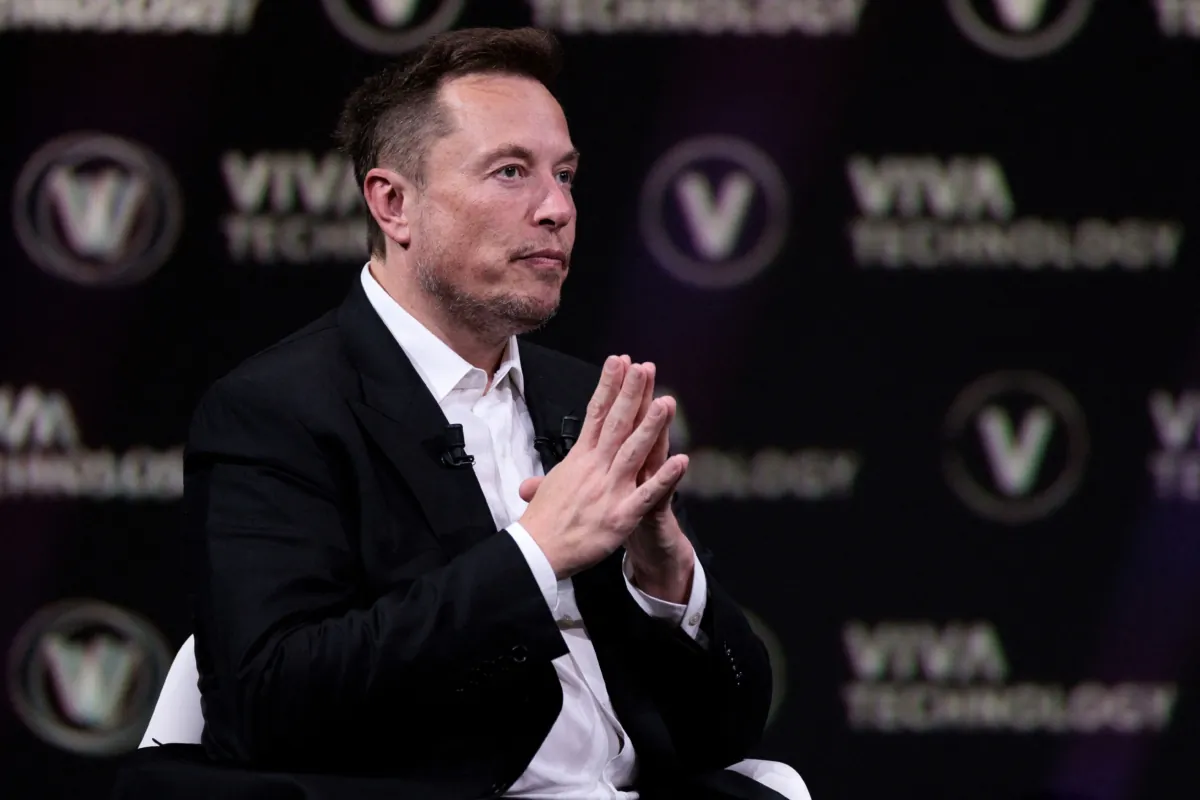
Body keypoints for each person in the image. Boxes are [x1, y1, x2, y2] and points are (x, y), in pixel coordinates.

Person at [168, 26, 808, 800]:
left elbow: (725, 733)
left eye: (565, 175)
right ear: (394, 204)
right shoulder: (277, 410)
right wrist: (534, 556)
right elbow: (265, 704)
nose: (557, 209)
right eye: (511, 172)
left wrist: (668, 582)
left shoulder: (579, 398)